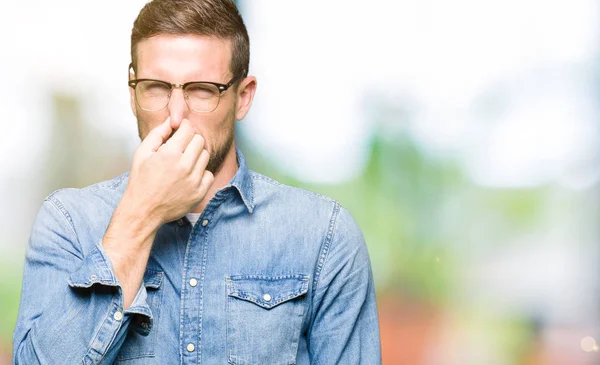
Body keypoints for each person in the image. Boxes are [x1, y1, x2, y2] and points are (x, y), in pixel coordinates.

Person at [12, 0, 381, 364]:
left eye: (202, 89)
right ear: (132, 93)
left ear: (243, 97)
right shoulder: (69, 223)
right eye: (156, 87)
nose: (175, 116)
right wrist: (139, 216)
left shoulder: (323, 237)